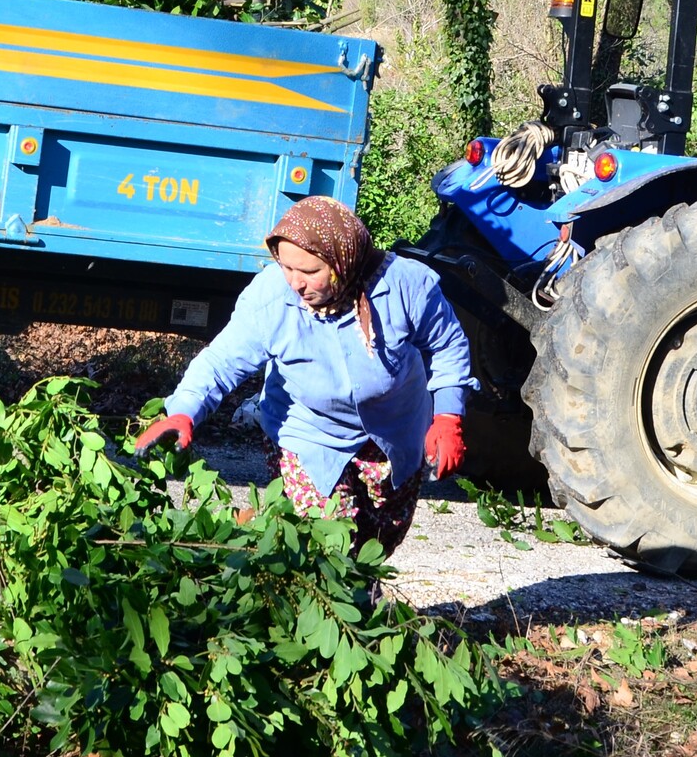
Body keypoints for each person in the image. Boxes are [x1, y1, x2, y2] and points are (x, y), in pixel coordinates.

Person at [136, 197, 474, 555]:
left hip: (394, 430)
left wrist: (448, 416)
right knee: (326, 546)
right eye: (286, 267)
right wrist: (184, 410)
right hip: (307, 436)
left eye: (310, 272)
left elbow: (448, 346)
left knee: (378, 542)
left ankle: (356, 596)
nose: (296, 283)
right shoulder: (271, 297)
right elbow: (221, 361)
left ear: (343, 260)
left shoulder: (407, 286)